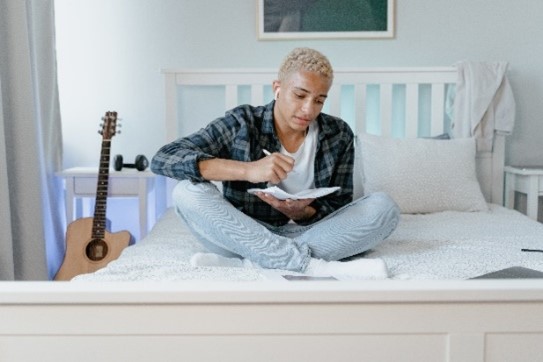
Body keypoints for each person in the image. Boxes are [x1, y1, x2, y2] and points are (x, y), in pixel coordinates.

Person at [151, 47, 399, 279]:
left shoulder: (338, 133)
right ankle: (311, 266)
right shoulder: (243, 122)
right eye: (300, 95)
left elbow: (339, 205)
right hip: (243, 232)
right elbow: (164, 158)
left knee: (384, 207)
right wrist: (248, 170)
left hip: (313, 234)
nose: (308, 109)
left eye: (319, 100)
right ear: (277, 88)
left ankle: (251, 263)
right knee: (186, 192)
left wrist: (302, 212)